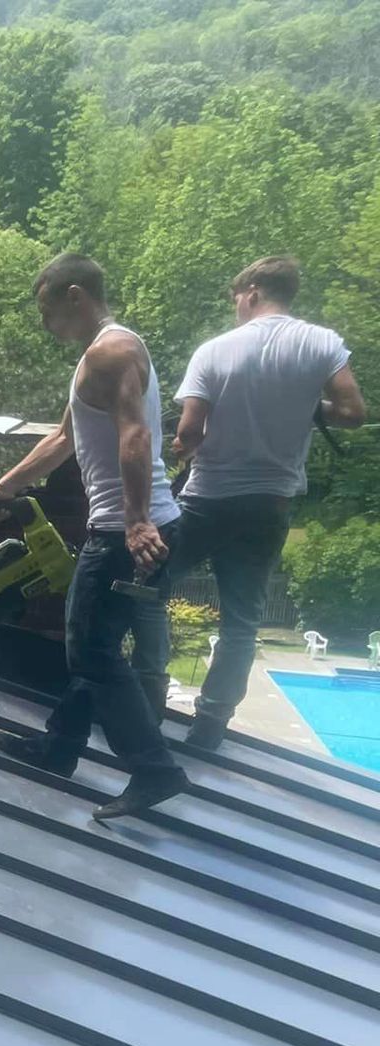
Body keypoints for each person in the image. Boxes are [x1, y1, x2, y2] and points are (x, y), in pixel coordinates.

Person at [0, 253, 187, 820]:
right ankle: (59, 748)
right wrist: (5, 489)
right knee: (99, 649)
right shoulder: (107, 351)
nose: (46, 327)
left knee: (89, 650)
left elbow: (136, 435)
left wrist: (135, 521)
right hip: (137, 525)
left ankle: (154, 769)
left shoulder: (109, 353)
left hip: (123, 532)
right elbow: (64, 439)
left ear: (76, 296)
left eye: (48, 312)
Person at [133, 257, 366, 748]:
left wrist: (183, 450)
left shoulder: (215, 351)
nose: (236, 306)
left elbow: (188, 432)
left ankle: (148, 694)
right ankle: (211, 724)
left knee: (151, 585)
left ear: (253, 292)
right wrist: (306, 406)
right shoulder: (322, 344)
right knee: (242, 619)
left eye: (237, 297)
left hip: (210, 498)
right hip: (271, 504)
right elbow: (351, 413)